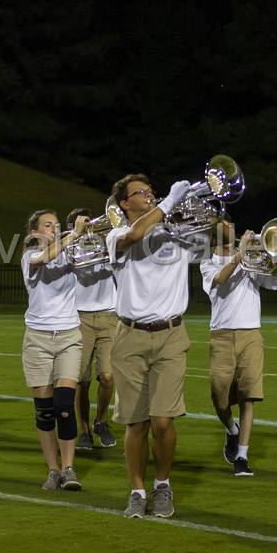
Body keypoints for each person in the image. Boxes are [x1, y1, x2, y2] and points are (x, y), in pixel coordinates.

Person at [106, 173, 205, 519]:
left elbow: (220, 233)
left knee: (162, 421)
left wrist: (200, 203)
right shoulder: (116, 233)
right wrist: (167, 203)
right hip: (129, 335)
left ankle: (162, 485)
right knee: (137, 423)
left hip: (171, 335)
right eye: (140, 193)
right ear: (124, 203)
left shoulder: (175, 232)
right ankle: (136, 490)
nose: (148, 195)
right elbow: (136, 234)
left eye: (150, 191)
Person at [200, 215, 277, 477]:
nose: (231, 226)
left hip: (251, 333)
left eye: (232, 224)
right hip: (222, 335)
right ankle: (232, 430)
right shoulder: (207, 262)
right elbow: (220, 280)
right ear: (213, 233)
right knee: (219, 396)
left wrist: (266, 252)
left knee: (249, 396)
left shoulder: (251, 259)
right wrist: (241, 253)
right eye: (225, 224)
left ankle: (242, 456)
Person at [20, 210, 88, 490]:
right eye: (48, 226)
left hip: (69, 335)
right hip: (37, 338)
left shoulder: (71, 253)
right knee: (44, 411)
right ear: (34, 231)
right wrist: (74, 235)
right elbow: (45, 258)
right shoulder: (29, 257)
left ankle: (69, 467)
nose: (54, 229)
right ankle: (53, 469)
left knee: (64, 405)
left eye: (56, 225)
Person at [65, 207, 117, 450]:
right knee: (81, 381)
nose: (89, 228)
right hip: (81, 317)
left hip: (109, 315)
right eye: (83, 224)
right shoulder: (69, 248)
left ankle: (100, 421)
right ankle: (84, 429)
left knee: (107, 376)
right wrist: (76, 236)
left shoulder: (110, 242)